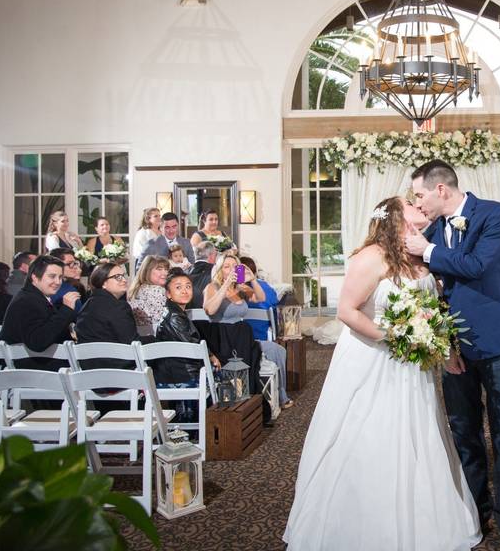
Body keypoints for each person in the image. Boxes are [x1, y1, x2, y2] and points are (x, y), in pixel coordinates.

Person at [286, 195, 481, 550]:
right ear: (393, 216)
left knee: (418, 433)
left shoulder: (421, 253)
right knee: (373, 432)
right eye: (410, 202)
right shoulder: (371, 256)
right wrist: (394, 337)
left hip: (412, 366)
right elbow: (346, 311)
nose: (418, 204)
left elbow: (433, 307)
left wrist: (439, 342)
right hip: (373, 358)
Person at [405, 159, 500, 550]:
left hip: (497, 341)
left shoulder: (495, 215)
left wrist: (428, 250)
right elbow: (435, 294)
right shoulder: (434, 230)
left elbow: (477, 265)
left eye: (420, 194)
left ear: (441, 189)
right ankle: (476, 512)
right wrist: (446, 345)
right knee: (464, 432)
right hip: (455, 348)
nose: (417, 203)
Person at [156, 269, 222, 424]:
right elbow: (192, 347)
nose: (185, 291)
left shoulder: (175, 312)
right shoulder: (175, 317)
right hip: (180, 374)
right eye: (178, 287)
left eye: (188, 286)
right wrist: (212, 356)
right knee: (221, 373)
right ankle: (208, 426)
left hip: (174, 370)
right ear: (168, 294)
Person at [202, 253, 266, 407]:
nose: (231, 270)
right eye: (226, 266)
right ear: (219, 270)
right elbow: (209, 310)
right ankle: (231, 409)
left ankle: (249, 410)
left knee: (248, 372)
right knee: (231, 374)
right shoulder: (212, 287)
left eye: (234, 266)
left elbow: (260, 298)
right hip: (222, 335)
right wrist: (225, 285)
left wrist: (253, 280)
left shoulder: (240, 288)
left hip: (242, 334)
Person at [0, 255, 78, 370]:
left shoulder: (32, 296)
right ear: (35, 278)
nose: (58, 282)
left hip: (37, 367)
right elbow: (38, 342)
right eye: (52, 276)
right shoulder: (27, 301)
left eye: (60, 277)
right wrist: (66, 310)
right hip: (32, 373)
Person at [240, 256, 294, 410]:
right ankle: (282, 396)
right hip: (259, 338)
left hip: (247, 339)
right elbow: (274, 306)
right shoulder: (258, 287)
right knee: (279, 351)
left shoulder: (244, 291)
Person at [75, 262, 143, 369]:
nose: (124, 280)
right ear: (103, 283)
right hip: (119, 370)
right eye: (117, 277)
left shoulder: (87, 305)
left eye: (123, 276)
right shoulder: (119, 307)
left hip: (89, 371)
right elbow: (132, 343)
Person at [128, 256, 170, 331]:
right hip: (159, 337)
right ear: (147, 271)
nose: (165, 273)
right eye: (159, 269)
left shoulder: (137, 289)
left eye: (166, 269)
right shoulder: (158, 290)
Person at [48, 248, 86, 314]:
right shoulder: (68, 290)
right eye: (69, 264)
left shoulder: (69, 285)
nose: (75, 267)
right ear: (56, 265)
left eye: (75, 263)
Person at [188, 241, 218, 309]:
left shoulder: (184, 271)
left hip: (187, 315)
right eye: (215, 255)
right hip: (211, 315)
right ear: (211, 255)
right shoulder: (216, 271)